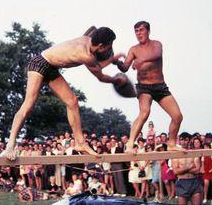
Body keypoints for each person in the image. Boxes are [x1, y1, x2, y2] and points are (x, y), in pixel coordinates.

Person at [6, 27, 124, 160]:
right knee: (28, 105)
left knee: (72, 101)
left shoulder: (88, 39)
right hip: (39, 63)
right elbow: (100, 75)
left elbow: (92, 28)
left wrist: (112, 59)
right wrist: (116, 78)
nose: (110, 49)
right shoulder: (86, 56)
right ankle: (10, 144)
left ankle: (80, 143)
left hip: (51, 68)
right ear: (101, 46)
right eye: (109, 46)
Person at [115, 21, 183, 152]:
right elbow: (124, 67)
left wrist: (141, 60)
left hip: (160, 86)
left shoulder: (156, 44)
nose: (139, 33)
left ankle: (172, 143)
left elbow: (157, 55)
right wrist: (117, 62)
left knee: (177, 116)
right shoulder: (133, 49)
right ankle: (129, 144)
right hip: (144, 88)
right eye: (136, 31)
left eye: (141, 30)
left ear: (148, 31)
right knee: (144, 112)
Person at [171, 132, 202, 205]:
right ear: (179, 141)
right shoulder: (176, 154)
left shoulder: (194, 153)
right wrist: (189, 167)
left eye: (185, 140)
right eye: (182, 140)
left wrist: (183, 169)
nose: (183, 142)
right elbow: (176, 171)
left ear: (189, 140)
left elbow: (197, 170)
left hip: (194, 181)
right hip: (181, 182)